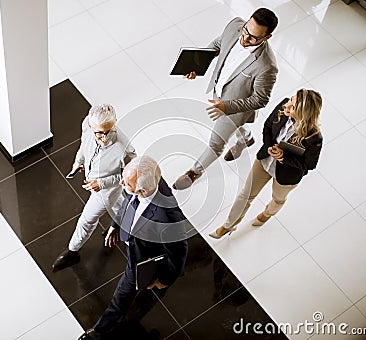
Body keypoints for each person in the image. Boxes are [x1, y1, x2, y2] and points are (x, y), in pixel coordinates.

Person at [78, 156, 188, 339]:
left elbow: (179, 253)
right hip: (138, 245)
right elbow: (130, 202)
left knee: (123, 295)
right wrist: (116, 224)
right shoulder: (145, 181)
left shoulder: (168, 218)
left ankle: (99, 331)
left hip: (145, 260)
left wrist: (166, 279)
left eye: (126, 183)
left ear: (143, 190)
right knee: (145, 294)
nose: (121, 182)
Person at [173, 8, 279, 190]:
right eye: (246, 30)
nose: (244, 39)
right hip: (220, 91)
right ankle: (246, 139)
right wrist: (196, 65)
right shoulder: (235, 26)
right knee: (237, 127)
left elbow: (260, 99)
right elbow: (218, 45)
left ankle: (194, 172)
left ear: (266, 38)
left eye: (253, 38)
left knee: (216, 143)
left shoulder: (267, 66)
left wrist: (226, 106)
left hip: (234, 108)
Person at [209, 89, 323, 239]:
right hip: (265, 160)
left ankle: (267, 214)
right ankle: (228, 226)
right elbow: (268, 127)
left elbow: (309, 165)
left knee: (278, 199)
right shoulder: (284, 106)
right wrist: (269, 146)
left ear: (304, 113)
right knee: (245, 195)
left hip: (286, 175)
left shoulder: (314, 137)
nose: (287, 106)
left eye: (293, 106)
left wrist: (284, 157)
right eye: (291, 100)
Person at [52, 104, 136, 270]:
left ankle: (72, 252)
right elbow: (84, 146)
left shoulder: (124, 147)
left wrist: (102, 183)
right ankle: (126, 228)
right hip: (97, 184)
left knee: (87, 221)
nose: (104, 138)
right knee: (119, 206)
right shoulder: (87, 125)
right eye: (99, 133)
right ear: (90, 126)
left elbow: (130, 174)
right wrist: (78, 162)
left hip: (106, 192)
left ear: (115, 123)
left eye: (109, 131)